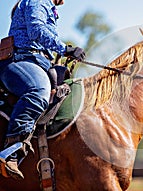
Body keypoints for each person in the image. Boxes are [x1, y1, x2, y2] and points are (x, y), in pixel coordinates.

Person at [0, 0, 85, 180]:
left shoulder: (49, 7)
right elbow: (36, 29)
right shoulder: (39, 0)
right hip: (21, 60)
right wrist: (65, 49)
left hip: (38, 62)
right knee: (38, 90)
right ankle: (11, 151)